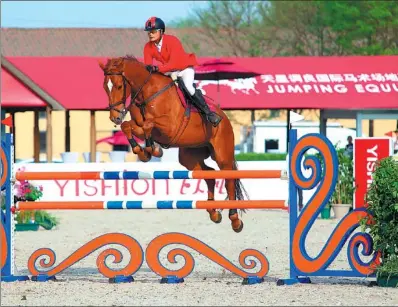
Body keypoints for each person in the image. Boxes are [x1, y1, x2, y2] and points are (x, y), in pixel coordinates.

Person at [143, 16, 222, 127]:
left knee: (188, 87)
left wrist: (157, 68)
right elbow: (148, 66)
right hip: (169, 72)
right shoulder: (148, 47)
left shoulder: (172, 41)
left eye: (153, 31)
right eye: (149, 32)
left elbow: (173, 64)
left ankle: (209, 113)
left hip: (184, 68)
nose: (150, 34)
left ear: (161, 32)